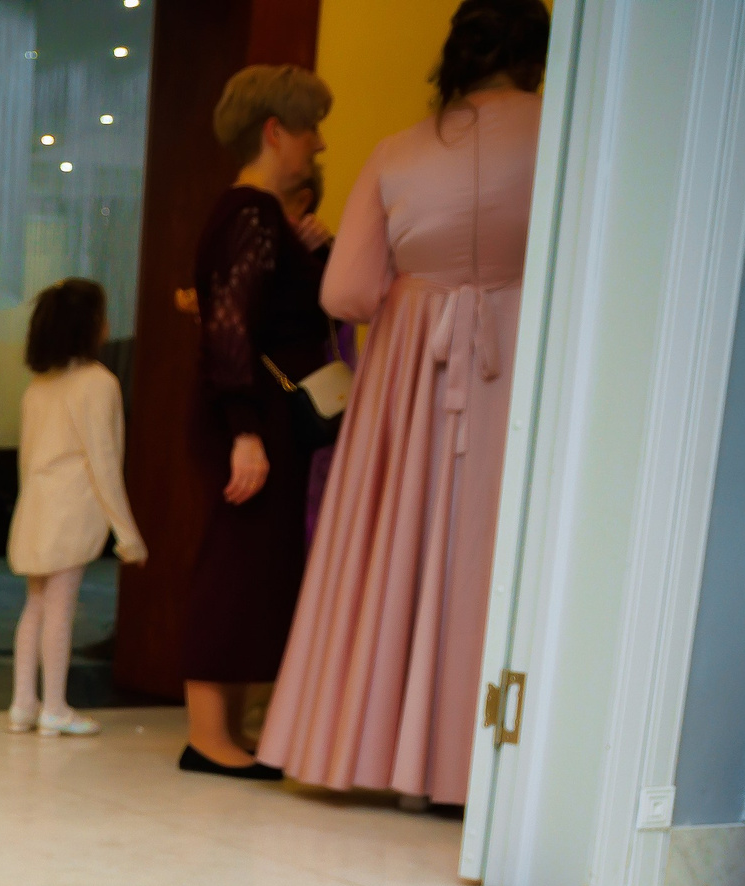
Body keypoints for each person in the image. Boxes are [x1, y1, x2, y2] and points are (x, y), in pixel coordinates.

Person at [258, 0, 548, 806]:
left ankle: (384, 755)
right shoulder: (568, 135)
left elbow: (347, 291)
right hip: (526, 351)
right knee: (502, 546)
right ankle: (485, 766)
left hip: (413, 370)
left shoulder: (400, 151)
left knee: (400, 542)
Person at [181, 64, 337, 779]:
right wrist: (245, 428)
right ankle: (210, 737)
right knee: (237, 567)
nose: (318, 148)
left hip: (260, 415)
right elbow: (231, 326)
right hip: (256, 417)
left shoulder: (262, 218)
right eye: (310, 132)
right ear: (276, 131)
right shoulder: (251, 215)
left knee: (252, 567)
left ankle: (224, 733)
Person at [4, 277, 145, 737]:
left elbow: (26, 460)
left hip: (36, 506)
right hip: (72, 507)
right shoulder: (99, 383)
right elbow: (105, 463)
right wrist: (128, 533)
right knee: (60, 606)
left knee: (37, 605)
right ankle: (56, 707)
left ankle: (24, 703)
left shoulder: (36, 387)